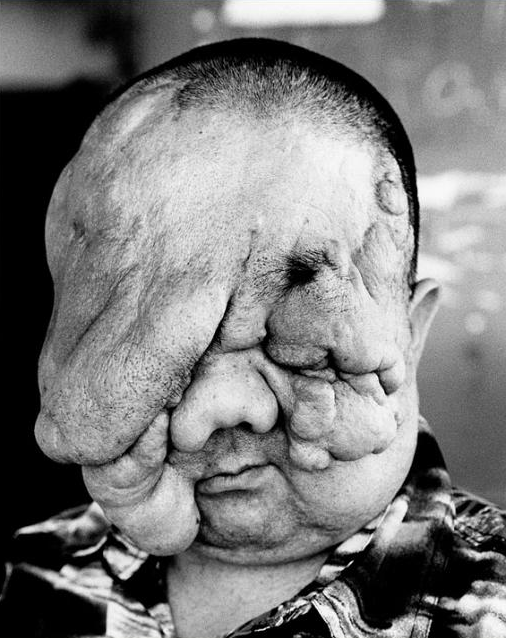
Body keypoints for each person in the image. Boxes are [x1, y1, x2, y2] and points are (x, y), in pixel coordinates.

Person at [1, 38, 505, 638]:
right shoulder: (22, 580)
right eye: (176, 361)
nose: (220, 413)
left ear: (413, 332)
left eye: (303, 356)